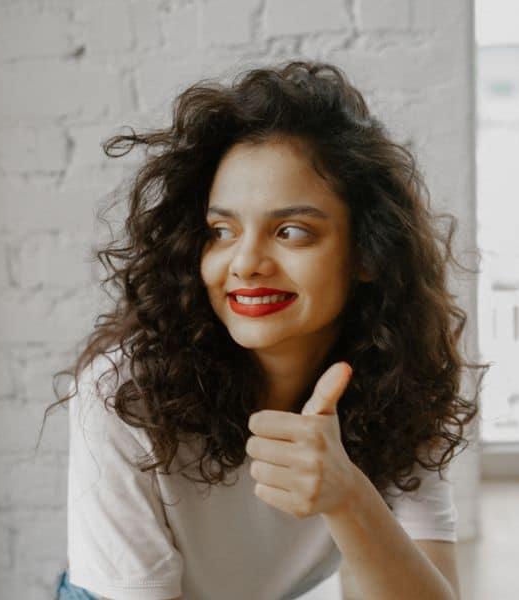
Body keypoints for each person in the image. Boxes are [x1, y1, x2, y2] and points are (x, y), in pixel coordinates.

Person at [41, 60, 487, 600]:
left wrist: (350, 498)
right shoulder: (120, 392)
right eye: (221, 231)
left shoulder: (401, 380)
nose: (246, 262)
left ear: (367, 252)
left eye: (292, 231)